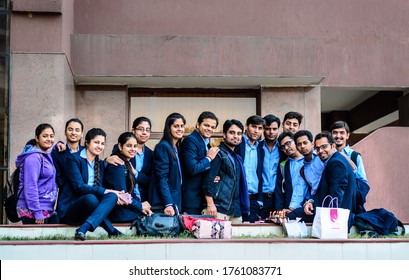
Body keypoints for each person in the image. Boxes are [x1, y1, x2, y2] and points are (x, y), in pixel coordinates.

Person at [57, 128, 126, 240]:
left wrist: (114, 193)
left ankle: (83, 229)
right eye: (96, 142)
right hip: (72, 211)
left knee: (113, 196)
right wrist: (106, 191)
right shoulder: (73, 159)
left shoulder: (99, 163)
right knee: (91, 198)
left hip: (91, 211)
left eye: (102, 143)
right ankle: (111, 230)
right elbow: (79, 187)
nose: (100, 146)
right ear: (87, 143)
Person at [303, 131, 358, 228]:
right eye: (317, 148)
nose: (320, 151)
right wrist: (311, 201)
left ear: (333, 146)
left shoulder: (336, 163)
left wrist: (332, 221)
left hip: (335, 219)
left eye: (324, 147)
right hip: (325, 211)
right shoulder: (334, 160)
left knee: (292, 216)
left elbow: (336, 196)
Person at [202, 119, 249, 224]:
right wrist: (210, 204)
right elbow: (208, 180)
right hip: (217, 208)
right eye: (232, 133)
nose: (235, 136)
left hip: (235, 210)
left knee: (238, 239)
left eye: (239, 133)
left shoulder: (237, 158)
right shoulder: (217, 153)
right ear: (224, 134)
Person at [104, 132, 153, 222]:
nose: (133, 149)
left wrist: (141, 206)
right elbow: (123, 195)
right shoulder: (117, 165)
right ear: (120, 146)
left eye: (135, 146)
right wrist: (140, 206)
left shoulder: (127, 164)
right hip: (118, 212)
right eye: (129, 146)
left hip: (126, 207)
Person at [16, 123, 59, 224]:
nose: (49, 139)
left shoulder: (45, 155)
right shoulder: (33, 158)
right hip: (34, 210)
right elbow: (30, 186)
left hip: (45, 208)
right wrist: (37, 212)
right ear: (36, 137)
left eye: (51, 136)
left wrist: (59, 144)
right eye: (45, 136)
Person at [181, 111, 220, 214]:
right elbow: (192, 168)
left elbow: (203, 169)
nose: (209, 129)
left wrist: (212, 178)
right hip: (191, 199)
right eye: (206, 125)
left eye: (212, 127)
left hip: (200, 198)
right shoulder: (190, 140)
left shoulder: (206, 142)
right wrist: (209, 158)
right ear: (198, 124)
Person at [107, 117, 154, 202]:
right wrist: (107, 159)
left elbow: (150, 180)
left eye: (147, 130)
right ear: (133, 130)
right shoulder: (121, 148)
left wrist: (136, 173)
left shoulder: (151, 154)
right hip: (126, 199)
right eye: (141, 129)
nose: (144, 132)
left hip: (144, 199)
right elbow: (114, 166)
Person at [149, 112, 185, 215]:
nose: (180, 129)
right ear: (169, 128)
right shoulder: (163, 147)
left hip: (175, 198)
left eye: (182, 126)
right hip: (164, 203)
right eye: (176, 126)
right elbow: (162, 177)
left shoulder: (176, 148)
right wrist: (168, 203)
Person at [286, 130, 324, 221]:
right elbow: (300, 189)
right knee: (291, 216)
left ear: (312, 143)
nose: (302, 146)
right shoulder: (303, 169)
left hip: (329, 198)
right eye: (299, 144)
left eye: (305, 143)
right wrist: (291, 208)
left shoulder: (322, 158)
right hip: (314, 202)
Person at [236, 115, 265, 223]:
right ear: (246, 126)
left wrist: (259, 201)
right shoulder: (238, 143)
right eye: (254, 127)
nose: (256, 131)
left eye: (260, 128)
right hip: (237, 197)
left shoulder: (260, 149)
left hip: (253, 199)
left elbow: (260, 174)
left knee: (250, 233)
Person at [275, 131, 308, 215]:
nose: (286, 148)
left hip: (308, 204)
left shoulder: (308, 160)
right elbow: (279, 189)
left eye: (288, 143)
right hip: (290, 207)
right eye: (283, 147)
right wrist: (280, 209)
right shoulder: (283, 165)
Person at [52, 118, 84, 192]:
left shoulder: (86, 151)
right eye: (70, 129)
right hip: (66, 196)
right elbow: (57, 176)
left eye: (77, 130)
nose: (73, 132)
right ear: (65, 132)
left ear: (82, 133)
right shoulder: (58, 152)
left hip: (85, 195)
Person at [259, 114, 281, 219]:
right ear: (263, 129)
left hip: (278, 196)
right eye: (268, 129)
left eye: (274, 129)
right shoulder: (257, 147)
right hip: (261, 196)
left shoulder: (283, 149)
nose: (271, 132)